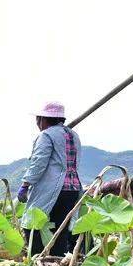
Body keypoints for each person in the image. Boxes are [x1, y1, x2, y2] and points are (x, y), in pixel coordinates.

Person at [17, 102, 82, 256]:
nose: (37, 124)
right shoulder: (73, 135)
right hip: (72, 189)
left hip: (53, 188)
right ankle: (57, 261)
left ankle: (36, 259)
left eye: (38, 120)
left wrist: (25, 184)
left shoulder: (46, 135)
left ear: (43, 119)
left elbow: (39, 163)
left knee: (31, 224)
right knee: (60, 229)